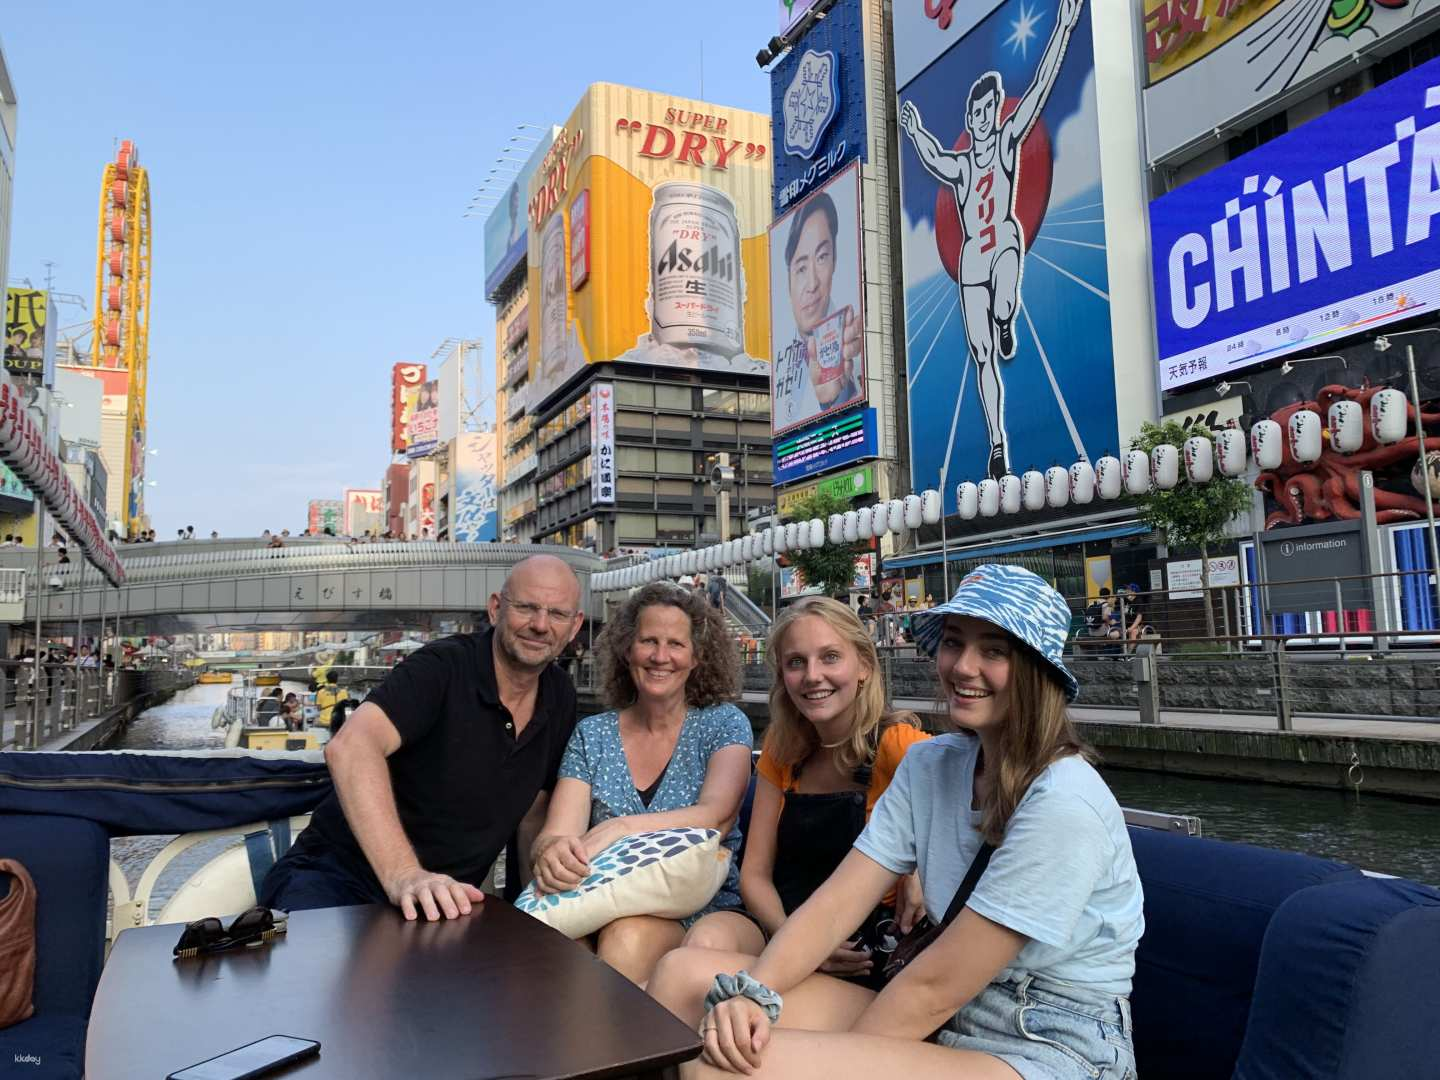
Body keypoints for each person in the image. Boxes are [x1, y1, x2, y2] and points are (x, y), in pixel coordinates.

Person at [682, 564, 1143, 1079]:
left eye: (994, 650)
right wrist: (754, 995)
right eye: (953, 643)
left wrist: (827, 1060)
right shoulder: (931, 765)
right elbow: (838, 902)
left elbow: (935, 987)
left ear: (1037, 670)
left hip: (1047, 1040)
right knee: (692, 988)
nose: (964, 667)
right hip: (950, 1011)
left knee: (724, 1066)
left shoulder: (1064, 802)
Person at [258, 554, 585, 920]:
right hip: (335, 880)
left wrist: (536, 920)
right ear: (495, 609)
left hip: (443, 905)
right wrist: (405, 876)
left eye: (557, 614)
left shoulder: (560, 696)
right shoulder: (442, 668)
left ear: (574, 627)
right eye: (526, 607)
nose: (540, 625)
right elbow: (350, 746)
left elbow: (531, 818)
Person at [650, 597, 929, 1007]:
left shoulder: (897, 745)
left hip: (861, 953)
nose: (813, 676)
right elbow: (755, 875)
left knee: (688, 985)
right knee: (703, 941)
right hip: (782, 924)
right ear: (782, 674)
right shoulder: (783, 749)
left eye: (830, 657)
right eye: (796, 662)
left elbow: (975, 800)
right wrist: (794, 938)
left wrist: (920, 869)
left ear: (864, 666)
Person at [530, 581, 751, 985]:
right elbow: (557, 832)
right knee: (557, 945)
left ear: (697, 656)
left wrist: (619, 828)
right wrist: (552, 853)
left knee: (625, 938)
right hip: (598, 902)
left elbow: (715, 816)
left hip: (700, 906)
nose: (660, 656)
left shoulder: (723, 724)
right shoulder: (591, 735)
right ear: (627, 649)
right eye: (648, 641)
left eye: (675, 644)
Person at [900, 0, 1083, 480]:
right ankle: (998, 444)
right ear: (970, 116)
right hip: (971, 262)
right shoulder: (961, 166)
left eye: (988, 109)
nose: (983, 118)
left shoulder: (1005, 144)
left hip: (1001, 239)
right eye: (976, 112)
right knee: (982, 357)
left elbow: (1040, 89)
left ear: (993, 112)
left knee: (1006, 246)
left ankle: (1007, 315)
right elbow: (934, 157)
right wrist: (916, 133)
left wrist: (1062, 28)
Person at [773, 192, 863, 431]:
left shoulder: (854, 341)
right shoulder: (781, 358)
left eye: (822, 257)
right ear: (788, 281)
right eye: (801, 268)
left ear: (834, 261)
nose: (812, 283)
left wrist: (837, 398)